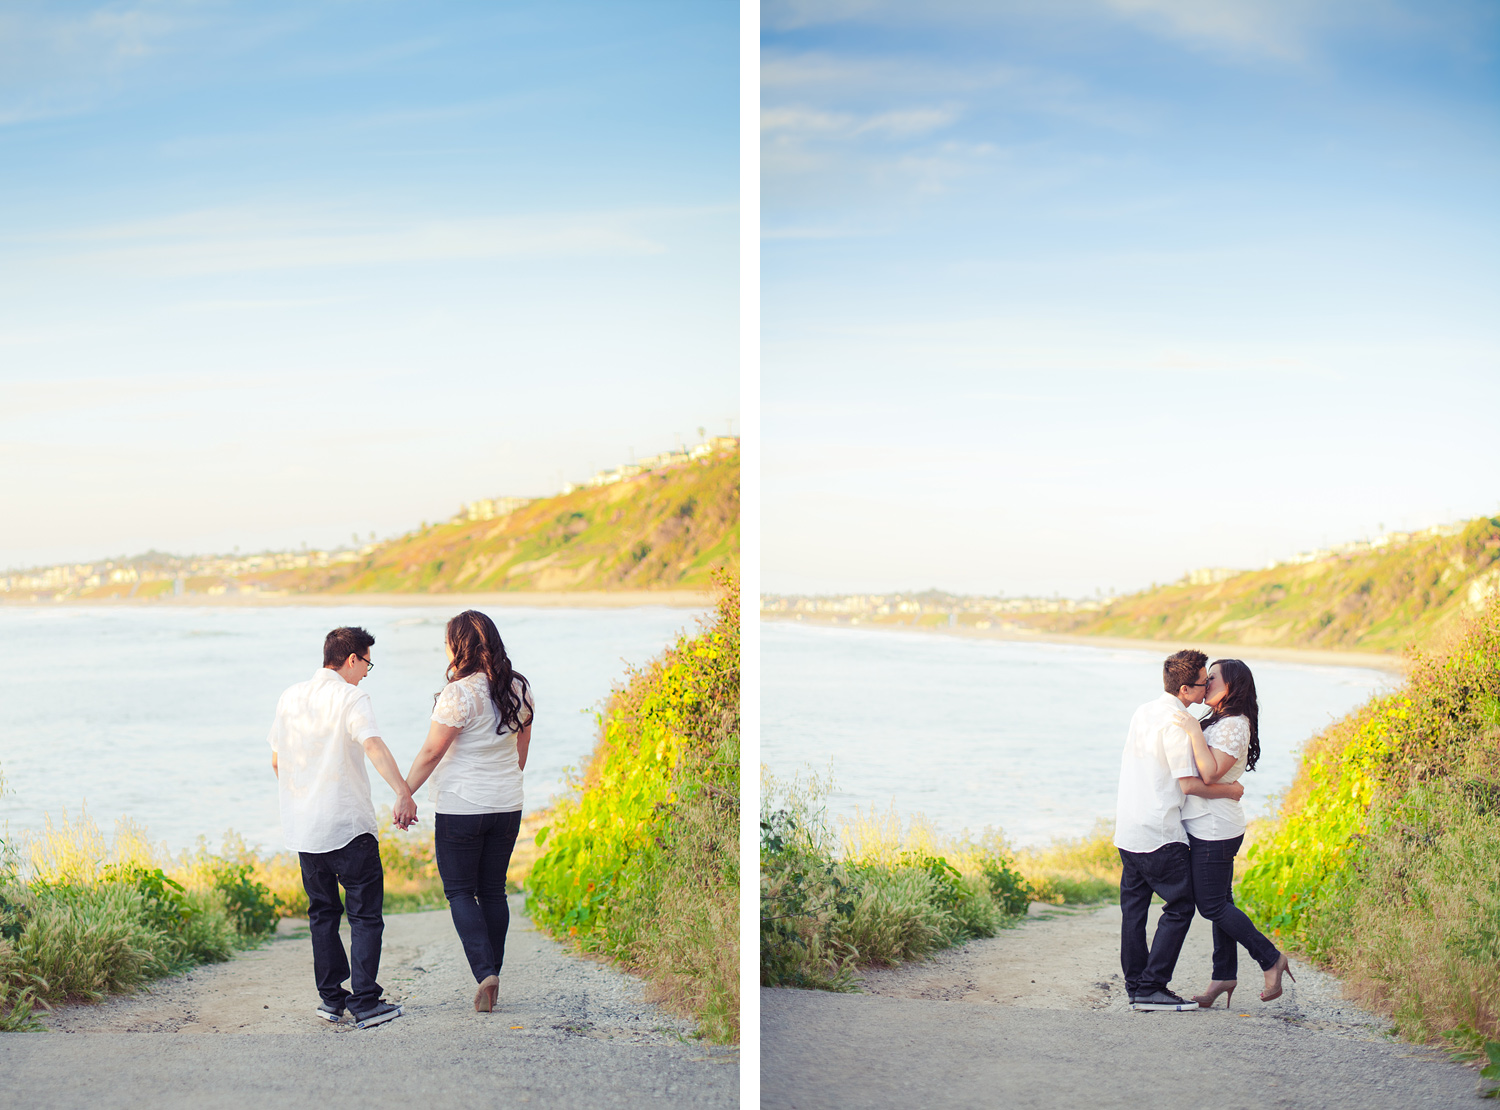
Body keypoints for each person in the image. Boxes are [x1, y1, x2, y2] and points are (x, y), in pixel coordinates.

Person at [267, 625, 416, 1029]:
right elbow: (373, 745)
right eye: (367, 662)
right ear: (352, 659)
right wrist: (403, 792)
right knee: (365, 915)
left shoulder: (290, 697)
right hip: (348, 826)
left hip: (306, 830)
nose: (367, 671)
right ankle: (366, 1002)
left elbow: (278, 761)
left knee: (322, 915)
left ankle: (332, 1001)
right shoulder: (352, 697)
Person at [404, 610, 534, 1014]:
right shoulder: (518, 688)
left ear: (457, 646)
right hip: (507, 803)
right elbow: (521, 755)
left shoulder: (459, 693)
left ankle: (484, 974)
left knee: (460, 891)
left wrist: (404, 793)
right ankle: (491, 970)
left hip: (463, 806)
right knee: (493, 889)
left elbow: (431, 752)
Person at [1114, 648, 1245, 1011]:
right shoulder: (1176, 723)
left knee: (1134, 911)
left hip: (1127, 828)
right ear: (1185, 689)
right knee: (1182, 904)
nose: (1207, 691)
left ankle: (1135, 987)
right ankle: (1152, 987)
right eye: (1204, 684)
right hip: (1159, 831)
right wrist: (1230, 790)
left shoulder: (1143, 711)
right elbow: (1189, 784)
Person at [1176, 658, 1295, 1008]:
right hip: (1211, 822)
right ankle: (1223, 975)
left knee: (1211, 905)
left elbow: (1210, 775)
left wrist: (1190, 729)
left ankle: (1270, 959)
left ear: (1233, 686)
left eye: (1213, 678)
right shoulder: (1220, 720)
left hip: (1215, 827)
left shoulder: (1233, 725)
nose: (1205, 682)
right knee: (1220, 903)